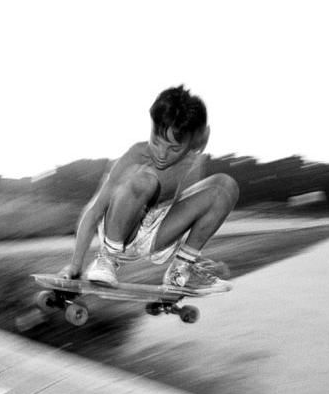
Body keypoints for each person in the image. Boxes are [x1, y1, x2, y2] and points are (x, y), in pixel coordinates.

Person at [59, 85, 238, 293]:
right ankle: (107, 259)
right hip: (121, 228)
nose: (162, 154)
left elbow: (204, 131)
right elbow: (95, 210)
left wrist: (197, 257)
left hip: (158, 231)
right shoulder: (136, 155)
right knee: (145, 179)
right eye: (156, 141)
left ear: (191, 142)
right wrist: (75, 265)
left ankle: (181, 271)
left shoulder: (195, 149)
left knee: (226, 186)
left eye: (173, 149)